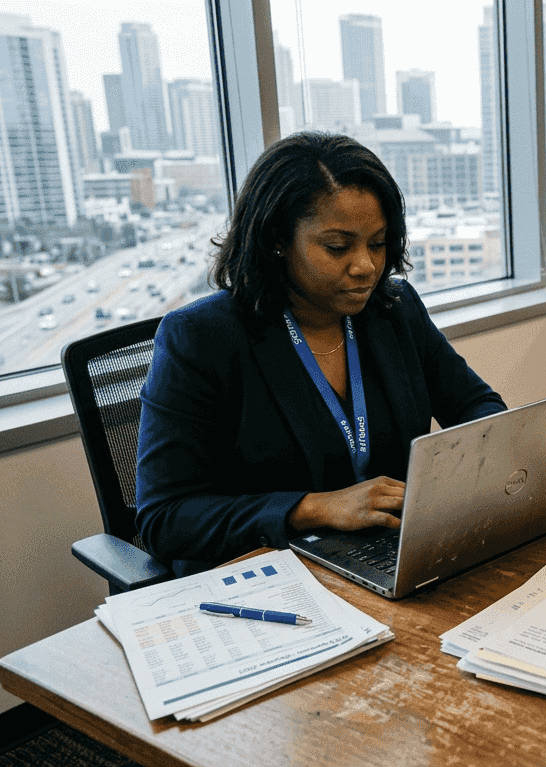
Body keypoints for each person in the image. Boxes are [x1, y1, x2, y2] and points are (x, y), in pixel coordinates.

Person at [136, 133, 507, 576]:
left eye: (377, 243)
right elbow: (165, 518)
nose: (365, 266)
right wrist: (311, 509)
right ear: (278, 239)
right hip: (269, 573)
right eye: (337, 247)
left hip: (386, 557)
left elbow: (477, 406)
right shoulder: (201, 338)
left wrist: (461, 474)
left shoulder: (394, 310)